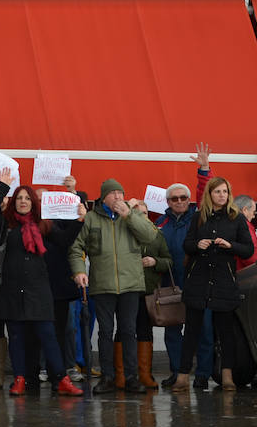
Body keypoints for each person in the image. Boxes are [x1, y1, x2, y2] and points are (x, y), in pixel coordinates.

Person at [0, 170, 84, 397]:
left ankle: (62, 379)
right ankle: (20, 379)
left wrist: (79, 221)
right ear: (13, 203)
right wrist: (3, 186)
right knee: (16, 337)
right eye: (19, 198)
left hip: (39, 291)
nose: (23, 202)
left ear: (34, 203)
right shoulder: (6, 225)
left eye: (27, 198)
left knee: (48, 335)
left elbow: (66, 240)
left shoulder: (43, 225)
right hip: (11, 291)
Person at [69, 178, 158, 394]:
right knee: (105, 332)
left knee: (129, 331)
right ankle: (107, 377)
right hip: (103, 285)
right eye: (113, 193)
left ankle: (131, 377)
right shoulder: (91, 219)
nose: (118, 197)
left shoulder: (133, 214)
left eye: (121, 193)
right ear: (104, 197)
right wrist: (79, 270)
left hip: (131, 285)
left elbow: (150, 236)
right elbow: (76, 248)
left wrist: (129, 215)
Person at [174, 177, 254, 392]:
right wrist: (197, 244)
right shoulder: (199, 217)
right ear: (210, 194)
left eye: (225, 192)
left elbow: (248, 249)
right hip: (198, 280)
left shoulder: (236, 219)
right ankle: (182, 376)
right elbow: (187, 244)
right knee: (191, 331)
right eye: (217, 191)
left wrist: (230, 245)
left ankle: (227, 376)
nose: (222, 195)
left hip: (223, 281)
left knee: (225, 332)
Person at [155, 143, 217, 389]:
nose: (179, 201)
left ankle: (202, 374)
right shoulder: (159, 223)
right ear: (168, 201)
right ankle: (177, 372)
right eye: (174, 198)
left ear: (189, 200)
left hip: (198, 282)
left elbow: (207, 193)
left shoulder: (200, 216)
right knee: (172, 333)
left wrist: (204, 169)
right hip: (170, 284)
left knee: (203, 330)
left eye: (183, 197)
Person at [131, 201, 172, 389]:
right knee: (124, 332)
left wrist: (155, 261)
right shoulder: (124, 234)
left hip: (148, 293)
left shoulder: (157, 235)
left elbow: (168, 261)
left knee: (145, 332)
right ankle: (123, 374)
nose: (142, 216)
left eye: (145, 213)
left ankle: (145, 374)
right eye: (137, 213)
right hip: (127, 290)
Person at [233, 195, 257, 270]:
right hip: (245, 275)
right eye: (254, 212)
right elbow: (252, 256)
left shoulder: (228, 223)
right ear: (245, 210)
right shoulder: (245, 226)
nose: (253, 216)